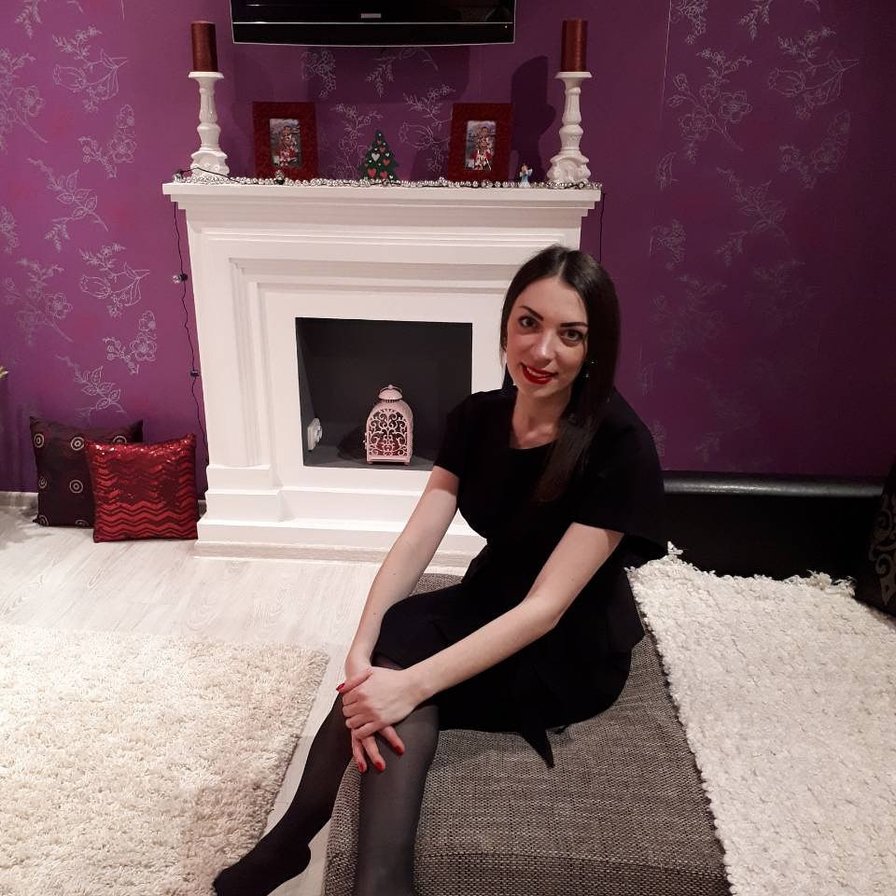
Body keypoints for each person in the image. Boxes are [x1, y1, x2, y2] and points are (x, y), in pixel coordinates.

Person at [213, 245, 666, 896]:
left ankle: (346, 868)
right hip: (491, 595)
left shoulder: (620, 445)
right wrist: (359, 649)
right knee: (390, 645)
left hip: (569, 642)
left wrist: (408, 685)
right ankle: (312, 852)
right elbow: (417, 538)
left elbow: (546, 608)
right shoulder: (477, 418)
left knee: (401, 685)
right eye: (529, 323)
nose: (542, 351)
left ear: (594, 348)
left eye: (571, 335)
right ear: (506, 323)